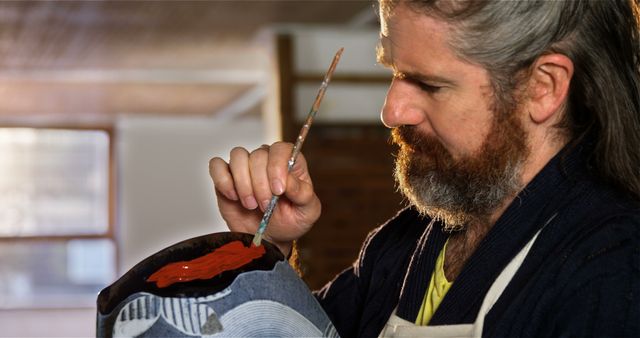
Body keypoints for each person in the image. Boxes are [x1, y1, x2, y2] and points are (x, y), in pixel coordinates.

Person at [209, 0, 640, 336]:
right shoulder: (403, 245)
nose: (391, 112)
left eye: (429, 85)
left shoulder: (614, 268)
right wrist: (267, 249)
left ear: (542, 87)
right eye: (394, 73)